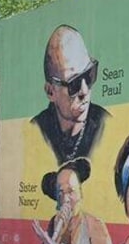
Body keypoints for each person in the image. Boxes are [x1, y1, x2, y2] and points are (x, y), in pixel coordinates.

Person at [31, 25, 111, 165]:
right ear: (51, 91)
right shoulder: (35, 131)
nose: (84, 91)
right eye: (74, 83)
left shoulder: (106, 125)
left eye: (89, 75)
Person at [33, 157, 115, 244]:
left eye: (71, 191)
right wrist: (56, 237)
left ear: (80, 193)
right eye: (61, 193)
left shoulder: (95, 226)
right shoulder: (54, 223)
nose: (66, 199)